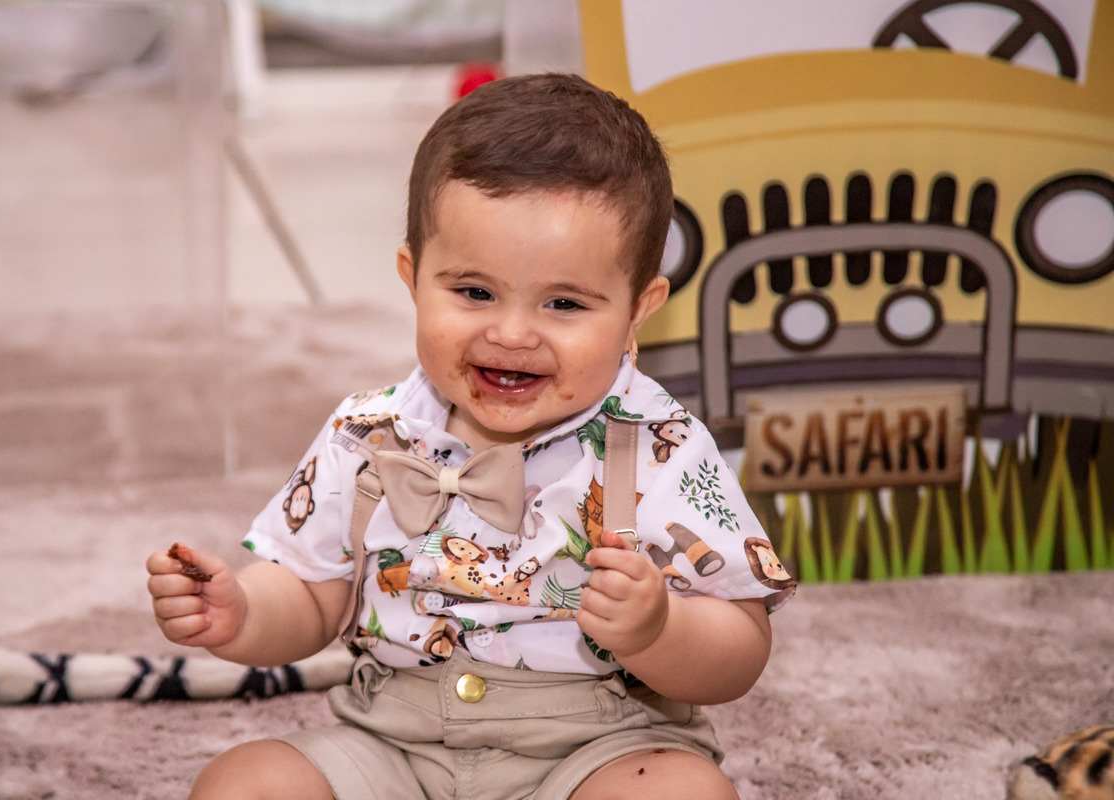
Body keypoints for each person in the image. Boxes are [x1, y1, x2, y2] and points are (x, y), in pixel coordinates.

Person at [146, 72, 795, 800]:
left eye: (563, 303)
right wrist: (240, 613)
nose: (512, 333)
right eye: (474, 292)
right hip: (394, 741)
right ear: (413, 276)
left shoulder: (662, 449)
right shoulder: (369, 435)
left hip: (599, 745)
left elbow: (742, 649)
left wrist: (660, 629)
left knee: (682, 793)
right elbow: (312, 593)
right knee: (243, 783)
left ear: (639, 309)